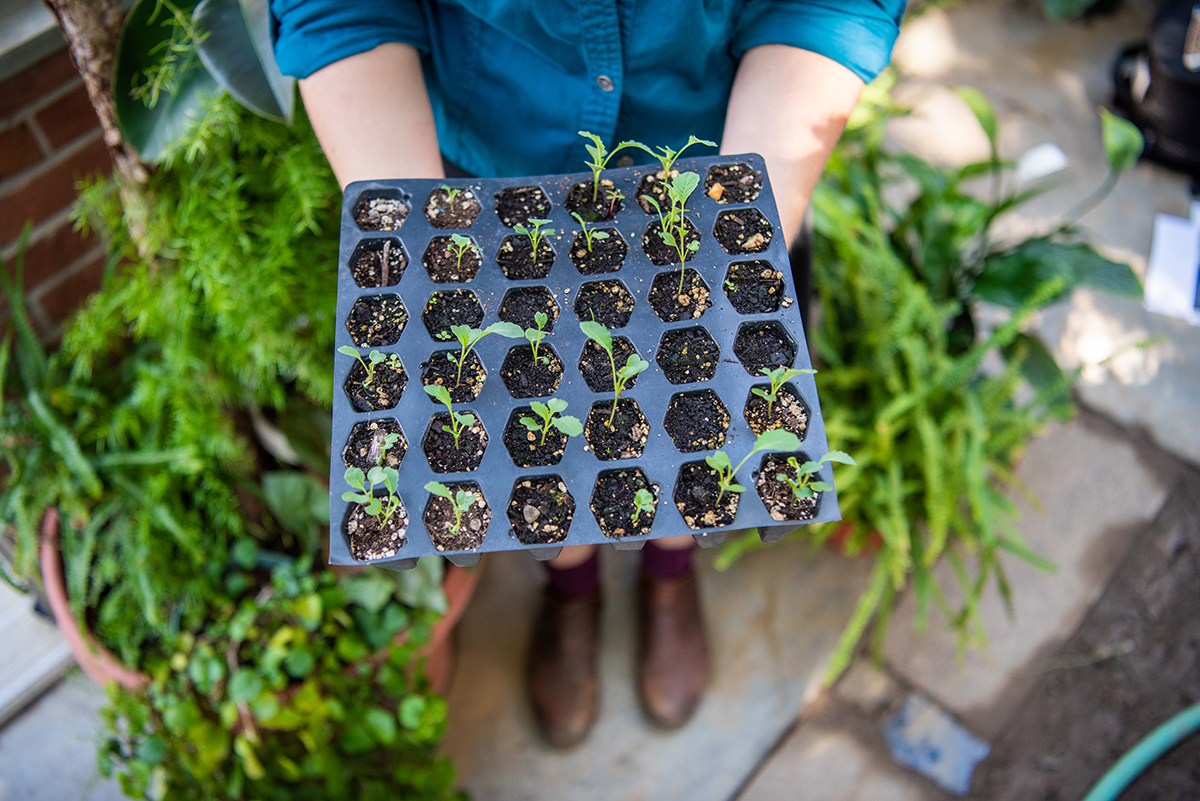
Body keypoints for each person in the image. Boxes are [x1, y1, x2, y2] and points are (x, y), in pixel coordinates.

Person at [272, 0, 905, 749]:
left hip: (714, 175)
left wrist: (735, 245)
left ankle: (671, 572)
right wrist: (422, 270)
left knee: (698, 423)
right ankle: (572, 587)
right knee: (541, 436)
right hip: (488, 200)